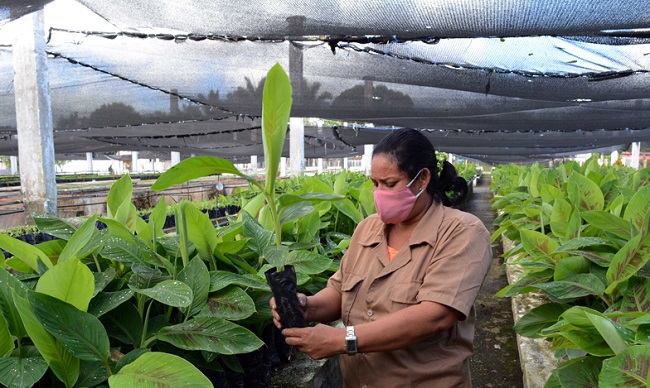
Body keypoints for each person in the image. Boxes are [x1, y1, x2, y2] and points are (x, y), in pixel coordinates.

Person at [270, 128, 492, 387]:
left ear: (422, 179)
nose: (379, 193)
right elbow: (340, 291)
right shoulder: (368, 228)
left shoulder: (462, 232)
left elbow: (435, 315)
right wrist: (307, 306)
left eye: (390, 184)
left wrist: (343, 340)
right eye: (375, 184)